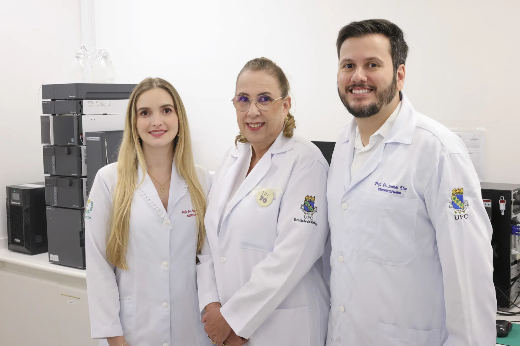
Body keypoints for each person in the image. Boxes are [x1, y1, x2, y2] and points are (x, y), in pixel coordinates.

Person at [326, 19, 496, 345]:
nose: (358, 76)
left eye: (372, 64)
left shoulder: (438, 152)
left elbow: (469, 276)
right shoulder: (342, 148)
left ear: (400, 75)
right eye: (348, 65)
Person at [197, 57, 330, 346]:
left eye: (264, 99)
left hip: (282, 329)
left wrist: (234, 320)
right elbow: (209, 241)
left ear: (285, 105)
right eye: (243, 99)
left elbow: (293, 256)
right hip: (225, 325)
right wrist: (211, 305)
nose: (252, 110)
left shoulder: (306, 162)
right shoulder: (233, 158)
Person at [85, 77, 212, 346]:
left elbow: (209, 259)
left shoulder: (203, 181)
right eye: (145, 113)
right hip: (132, 331)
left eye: (166, 110)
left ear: (179, 118)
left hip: (191, 329)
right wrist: (115, 338)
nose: (157, 121)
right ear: (134, 122)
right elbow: (98, 266)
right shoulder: (109, 180)